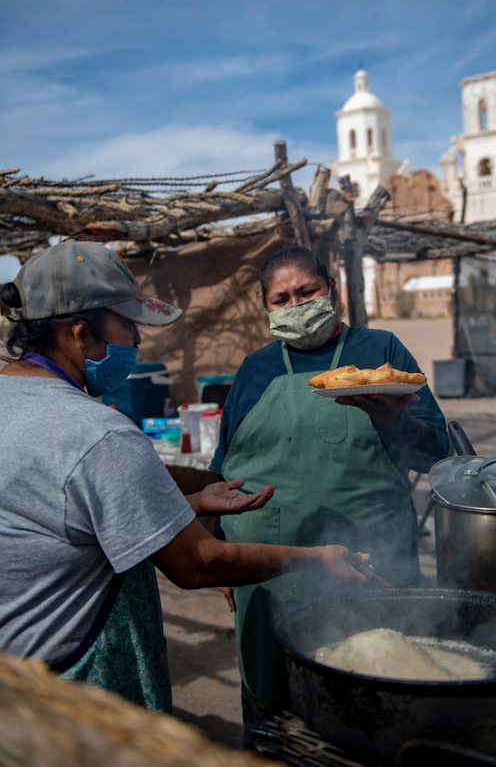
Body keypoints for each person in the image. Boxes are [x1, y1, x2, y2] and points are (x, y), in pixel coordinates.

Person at [0, 241, 378, 714]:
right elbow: (198, 563)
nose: (137, 341)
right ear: (80, 333)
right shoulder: (99, 434)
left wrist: (190, 504)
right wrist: (319, 558)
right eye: (128, 325)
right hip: (72, 691)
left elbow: (62, 516)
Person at [210, 245, 450, 733]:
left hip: (366, 560)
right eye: (280, 299)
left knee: (375, 686)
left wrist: (394, 420)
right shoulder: (255, 369)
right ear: (266, 308)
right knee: (272, 705)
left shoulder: (380, 353)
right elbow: (223, 469)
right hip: (267, 567)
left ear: (332, 291)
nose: (295, 306)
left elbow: (436, 454)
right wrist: (221, 555)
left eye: (307, 292)